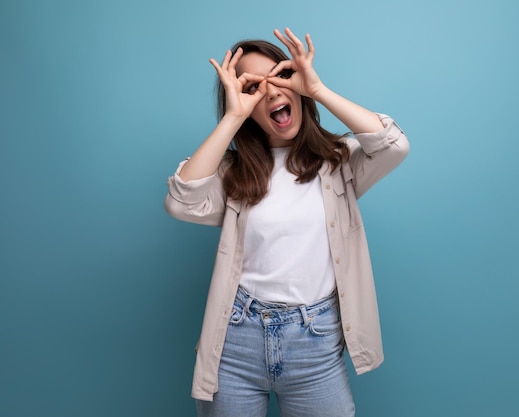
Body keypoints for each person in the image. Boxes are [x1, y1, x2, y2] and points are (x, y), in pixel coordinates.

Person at [165, 27, 410, 417]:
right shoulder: (234, 174)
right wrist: (232, 117)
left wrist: (318, 89)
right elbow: (181, 200)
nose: (273, 91)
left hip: (315, 342)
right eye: (254, 88)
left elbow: (394, 145)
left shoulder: (339, 161)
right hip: (236, 341)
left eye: (279, 77)